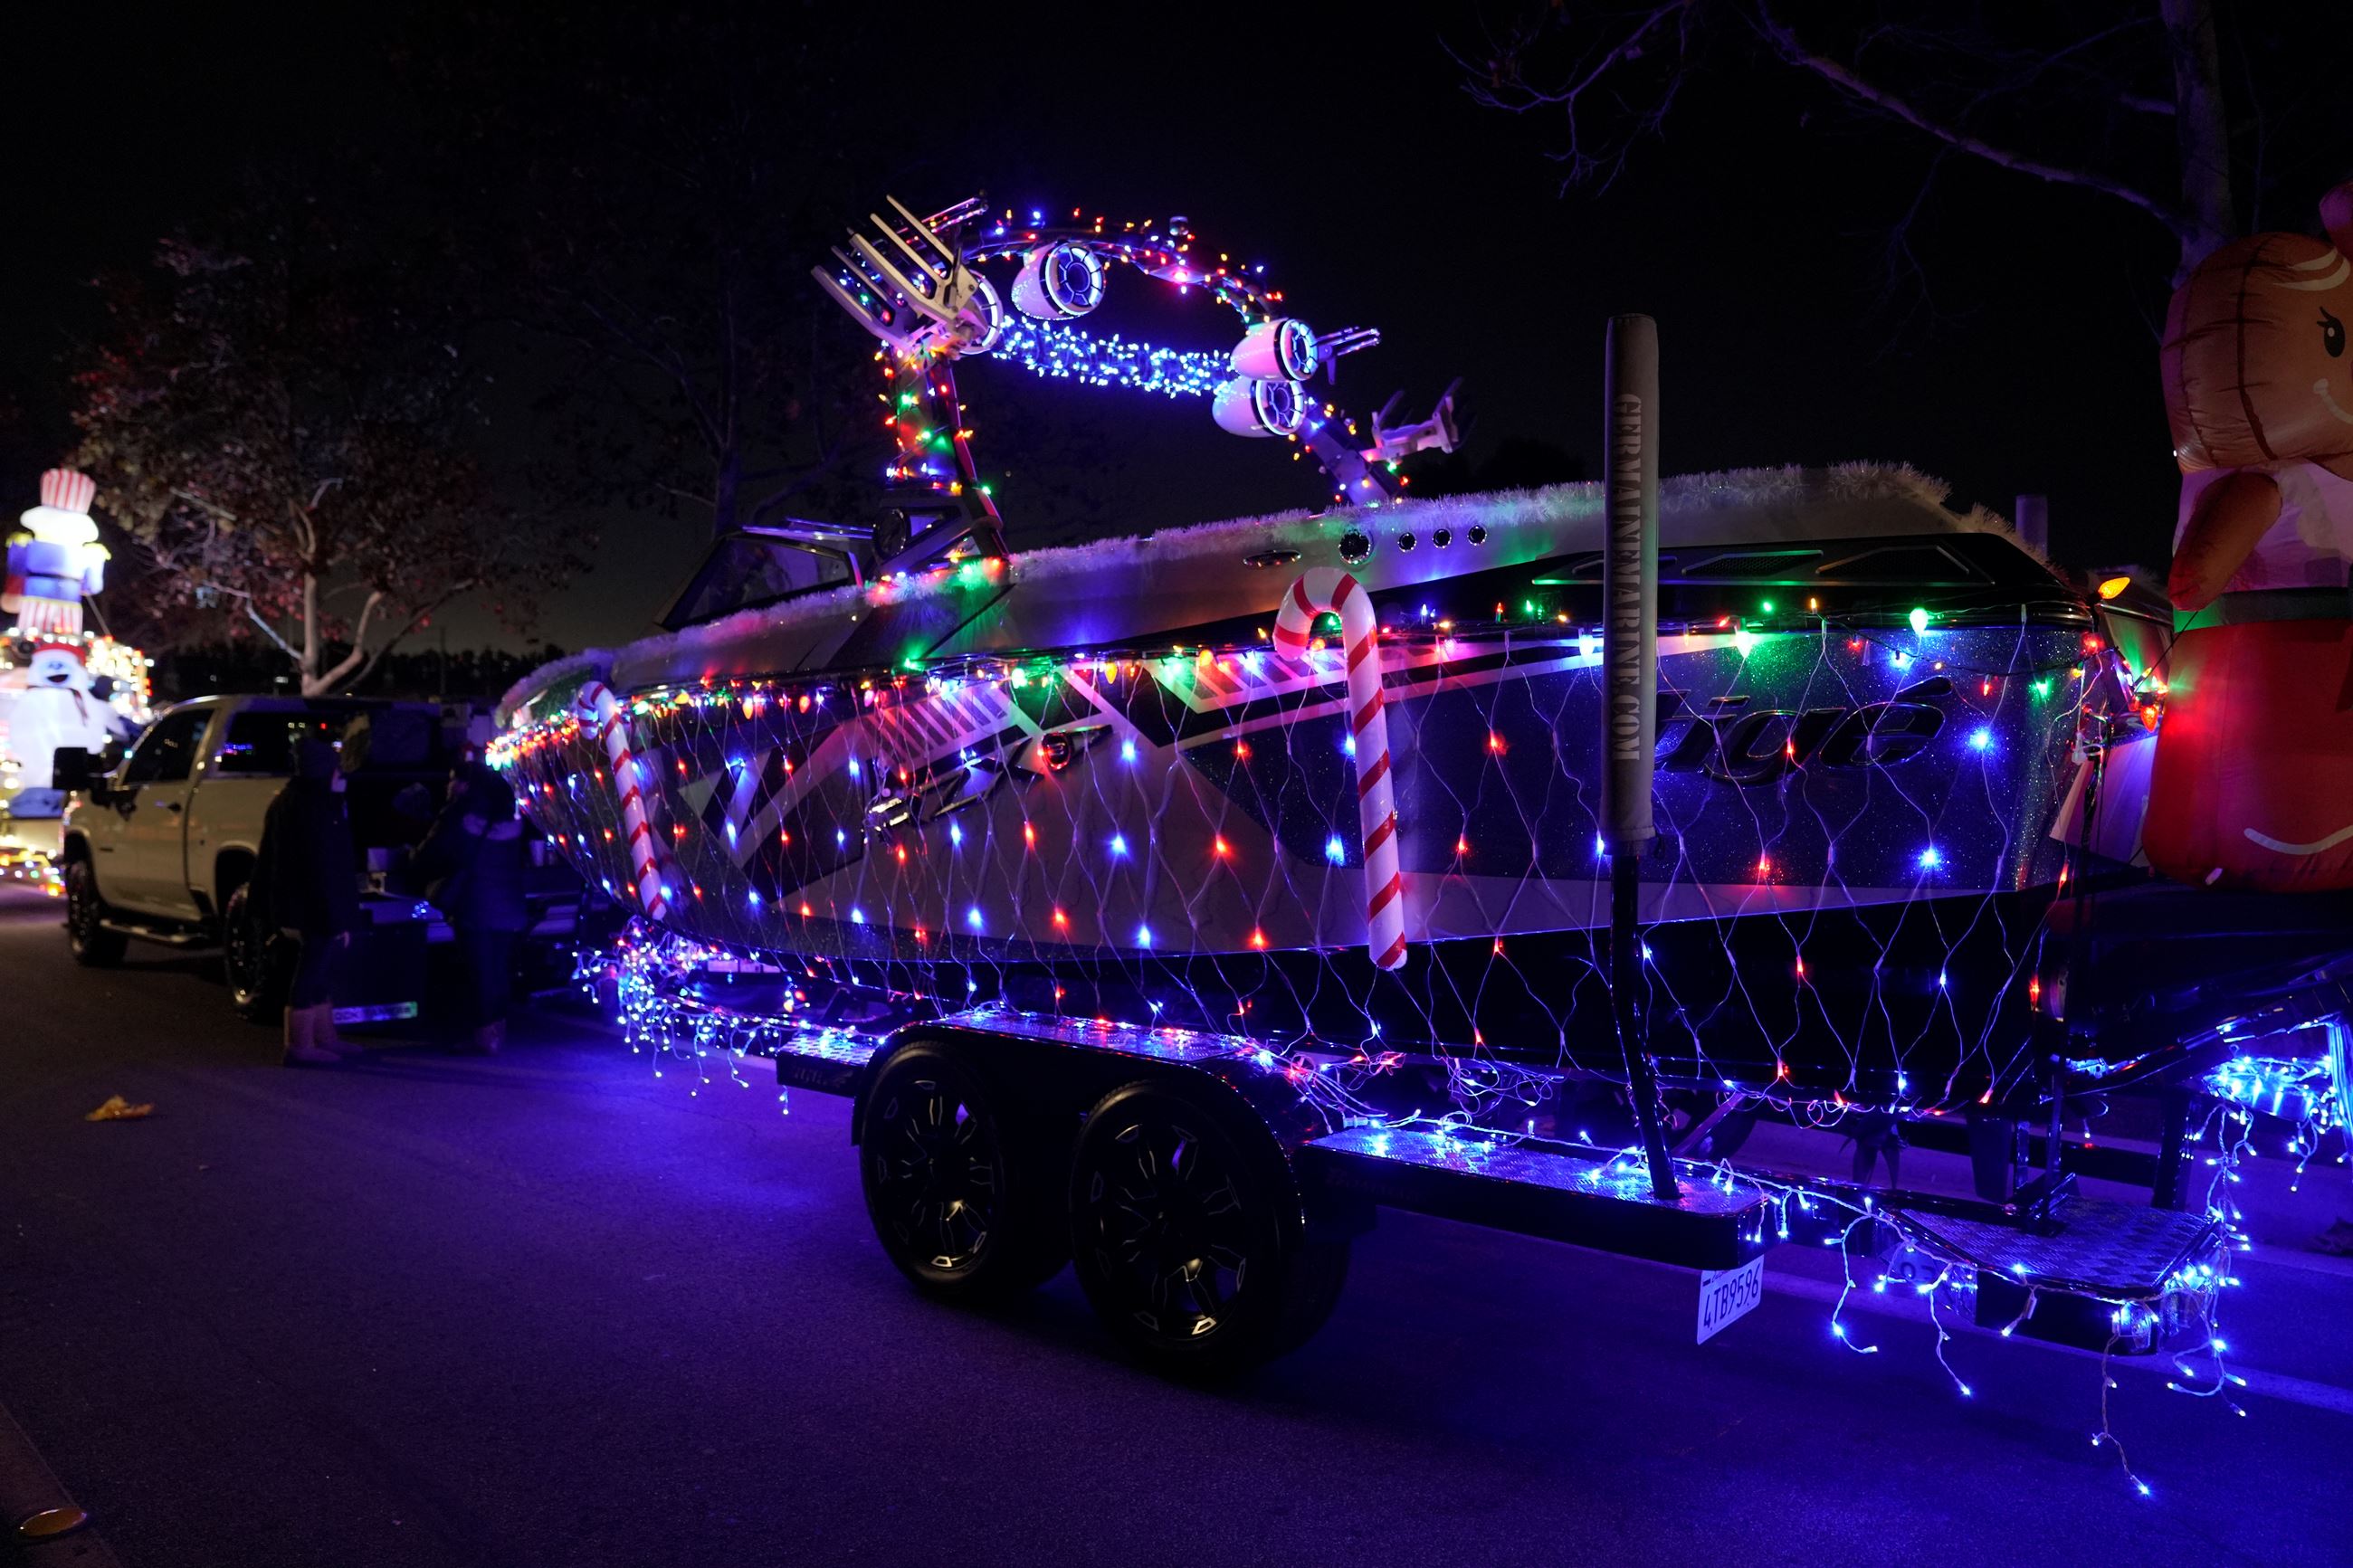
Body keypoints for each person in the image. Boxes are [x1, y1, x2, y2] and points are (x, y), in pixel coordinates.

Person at [256, 736, 360, 1066]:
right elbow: (324, 866)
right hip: (315, 904)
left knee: (319, 969)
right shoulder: (315, 808)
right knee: (312, 969)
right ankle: (300, 1045)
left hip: (304, 902)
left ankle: (323, 1038)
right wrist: (338, 916)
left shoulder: (293, 801)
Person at [414, 760, 529, 1053]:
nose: (448, 785)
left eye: (453, 779)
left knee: (479, 972)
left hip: (474, 905)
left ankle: (483, 1037)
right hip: (509, 906)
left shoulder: (458, 815)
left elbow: (430, 855)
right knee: (498, 970)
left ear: (466, 785)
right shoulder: (512, 817)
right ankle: (496, 1031)